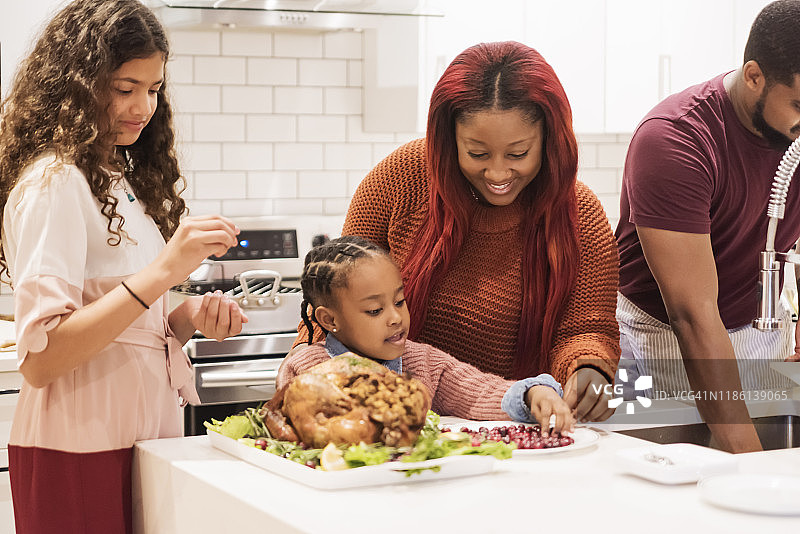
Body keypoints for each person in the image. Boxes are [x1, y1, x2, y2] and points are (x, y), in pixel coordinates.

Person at [0, 1, 247, 531]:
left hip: (143, 435)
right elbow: (43, 359)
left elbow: (125, 328)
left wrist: (186, 319)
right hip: (79, 442)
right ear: (75, 83)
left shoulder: (117, 182)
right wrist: (163, 271)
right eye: (124, 87)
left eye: (154, 89)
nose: (143, 106)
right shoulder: (55, 183)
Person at [291, 41, 621, 423]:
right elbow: (340, 296)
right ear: (449, 139)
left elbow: (586, 328)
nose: (498, 173)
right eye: (478, 154)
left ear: (550, 140)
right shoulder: (399, 180)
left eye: (517, 154)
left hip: (513, 423)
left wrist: (591, 371)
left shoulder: (580, 215)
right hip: (390, 422)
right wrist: (311, 374)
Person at [615, 0, 800, 454]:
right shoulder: (675, 140)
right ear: (755, 76)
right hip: (659, 342)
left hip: (756, 335)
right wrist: (754, 466)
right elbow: (692, 316)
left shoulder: (793, 134)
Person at [278, 236, 575, 434]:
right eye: (374, 311)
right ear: (330, 320)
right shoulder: (307, 368)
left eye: (399, 301)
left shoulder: (424, 363)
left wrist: (532, 393)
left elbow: (480, 392)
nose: (395, 318)